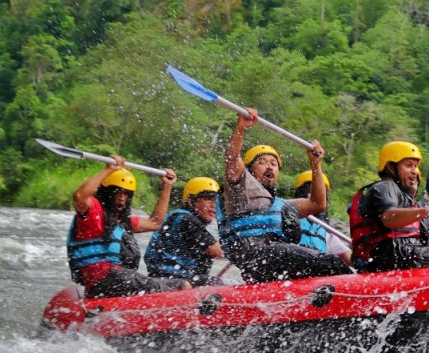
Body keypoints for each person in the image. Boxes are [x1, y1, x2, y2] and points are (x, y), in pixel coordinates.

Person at [220, 108, 350, 283]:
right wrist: (240, 127)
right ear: (250, 169)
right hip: (257, 253)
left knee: (321, 268)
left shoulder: (281, 205)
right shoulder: (242, 188)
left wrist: (315, 164)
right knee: (332, 263)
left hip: (272, 261)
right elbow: (231, 158)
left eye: (273, 163)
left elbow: (318, 203)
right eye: (262, 162)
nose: (269, 166)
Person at [67, 156, 192, 298]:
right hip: (103, 280)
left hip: (119, 277)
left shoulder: (121, 220)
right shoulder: (93, 211)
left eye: (126, 194)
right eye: (117, 192)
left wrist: (167, 186)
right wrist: (108, 170)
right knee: (176, 292)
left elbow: (155, 223)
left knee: (182, 285)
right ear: (107, 192)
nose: (122, 198)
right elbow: (79, 196)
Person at [348, 141, 429, 273]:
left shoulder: (403, 199)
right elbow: (389, 218)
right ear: (391, 167)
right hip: (389, 259)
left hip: (397, 259)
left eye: (415, 166)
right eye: (409, 165)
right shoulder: (385, 186)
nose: (415, 172)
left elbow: (419, 250)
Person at [144, 176, 224, 285]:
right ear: (191, 202)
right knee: (214, 283)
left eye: (216, 200)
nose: (214, 205)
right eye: (207, 199)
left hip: (163, 279)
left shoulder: (176, 216)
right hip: (174, 282)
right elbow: (217, 251)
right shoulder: (187, 220)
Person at [292, 170, 353, 266]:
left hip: (317, 274)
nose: (317, 196)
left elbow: (351, 259)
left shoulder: (326, 234)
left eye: (321, 193)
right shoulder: (287, 221)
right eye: (311, 191)